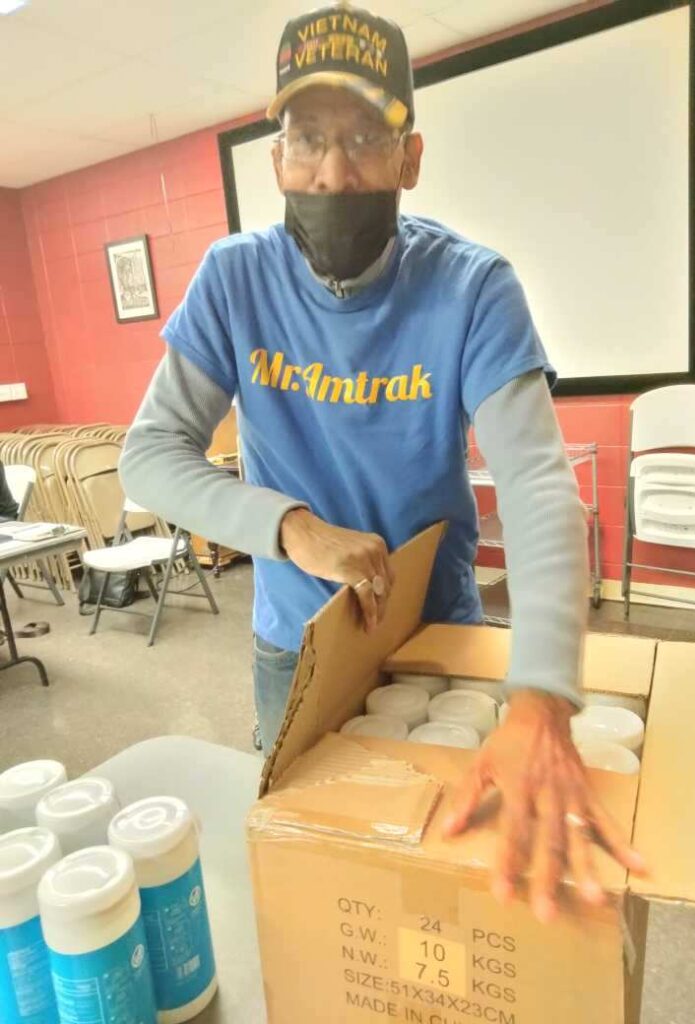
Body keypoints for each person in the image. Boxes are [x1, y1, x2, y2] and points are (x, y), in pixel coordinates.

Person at [120, 2, 646, 921]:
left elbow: (534, 482)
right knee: (320, 885)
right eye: (308, 139)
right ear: (276, 158)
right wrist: (289, 527)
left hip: (435, 634)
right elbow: (149, 457)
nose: (334, 170)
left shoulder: (471, 285)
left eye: (365, 137)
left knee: (452, 883)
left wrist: (543, 697)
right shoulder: (233, 280)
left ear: (410, 157)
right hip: (299, 646)